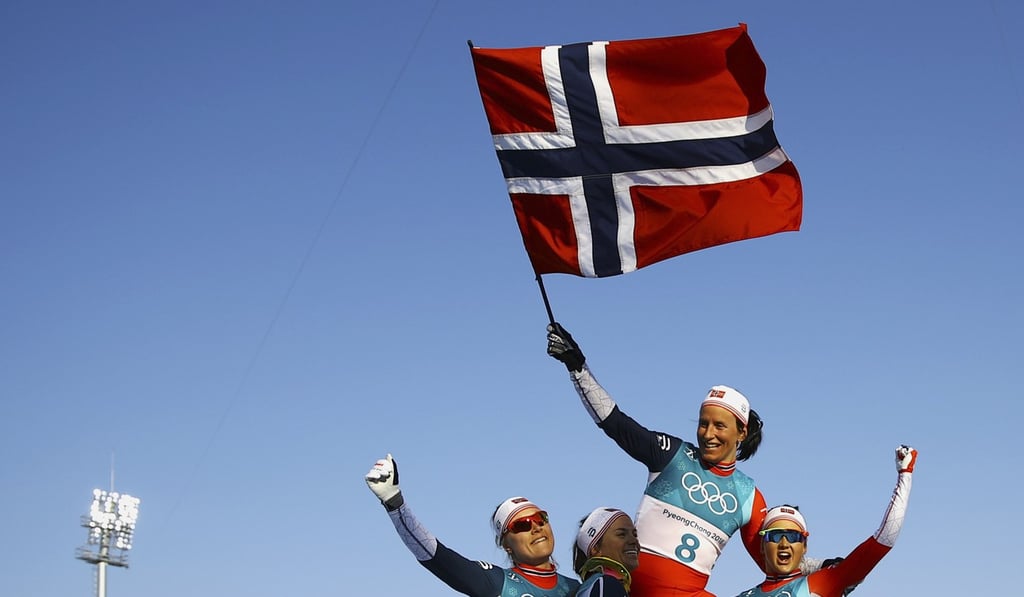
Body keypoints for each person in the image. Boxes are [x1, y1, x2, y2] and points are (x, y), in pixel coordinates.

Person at [546, 322, 768, 597]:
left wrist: (825, 569)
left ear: (741, 432)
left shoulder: (749, 496)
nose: (708, 434)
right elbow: (617, 425)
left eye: (719, 426)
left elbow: (777, 561)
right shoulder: (672, 454)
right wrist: (577, 368)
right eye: (703, 424)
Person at [364, 453, 580, 597]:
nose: (536, 527)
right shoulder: (498, 583)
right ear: (507, 545)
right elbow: (437, 557)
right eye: (522, 525)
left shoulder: (579, 589)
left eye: (541, 519)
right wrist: (394, 502)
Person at [734, 445, 917, 597]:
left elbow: (885, 539)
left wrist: (905, 475)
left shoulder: (825, 581)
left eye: (793, 536)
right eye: (775, 536)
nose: (784, 543)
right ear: (762, 545)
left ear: (804, 545)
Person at [573, 507, 641, 597]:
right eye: (621, 534)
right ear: (596, 548)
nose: (633, 541)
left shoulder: (598, 585)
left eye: (634, 534)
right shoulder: (605, 584)